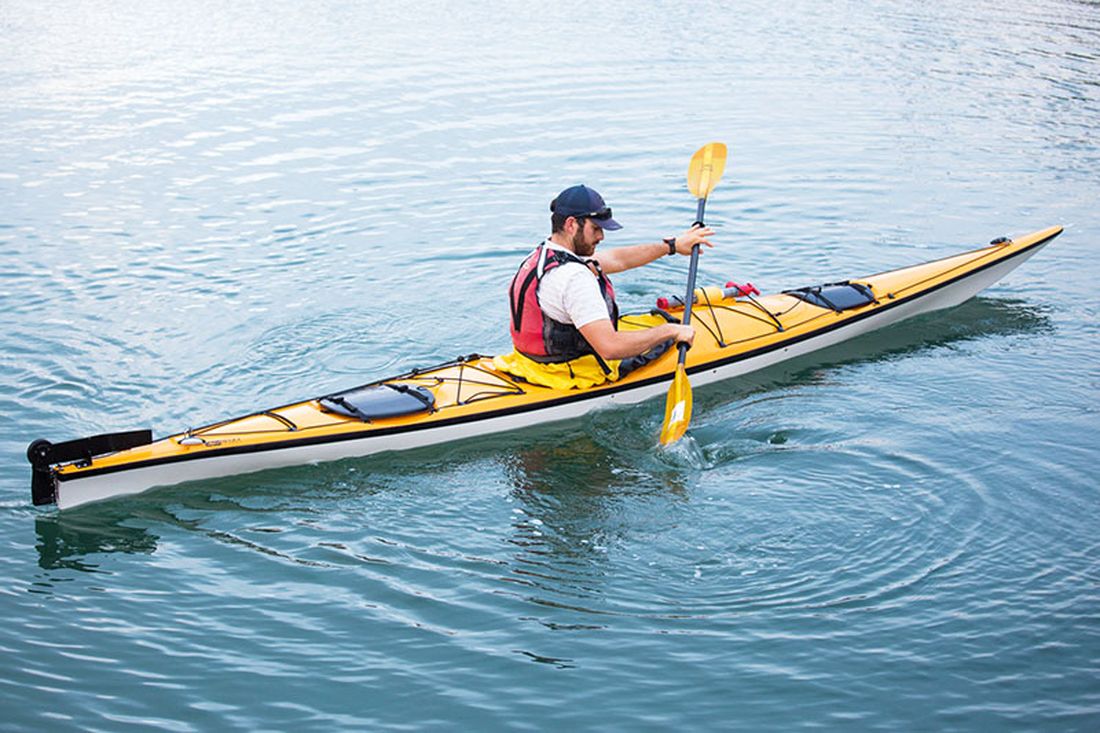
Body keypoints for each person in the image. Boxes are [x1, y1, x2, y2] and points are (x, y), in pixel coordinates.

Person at [494, 184, 715, 390]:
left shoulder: (542, 256)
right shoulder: (574, 278)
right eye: (596, 228)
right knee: (666, 328)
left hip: (528, 364)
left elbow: (618, 259)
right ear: (571, 224)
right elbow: (610, 348)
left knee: (650, 323)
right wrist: (672, 332)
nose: (601, 236)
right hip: (571, 373)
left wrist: (673, 246)